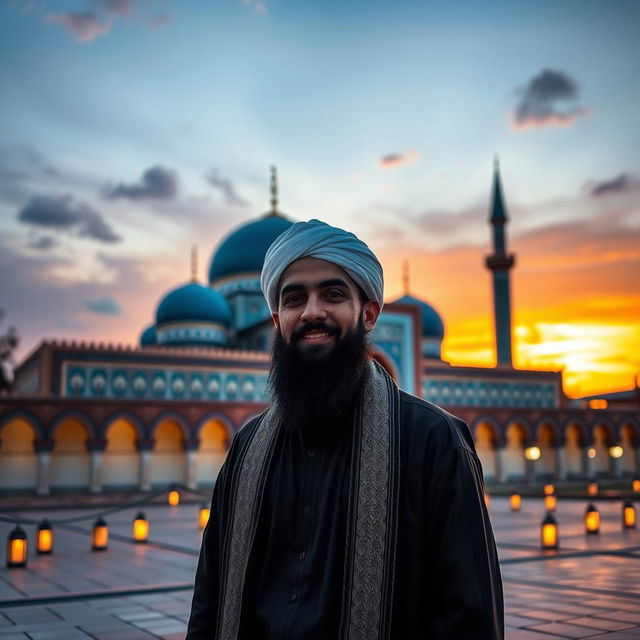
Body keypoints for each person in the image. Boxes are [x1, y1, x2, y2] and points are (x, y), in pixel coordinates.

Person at [187, 219, 504, 640]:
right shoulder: (248, 447)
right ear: (277, 319)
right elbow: (210, 594)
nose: (312, 311)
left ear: (369, 313)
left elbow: (469, 616)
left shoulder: (432, 440)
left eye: (333, 294)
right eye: (294, 298)